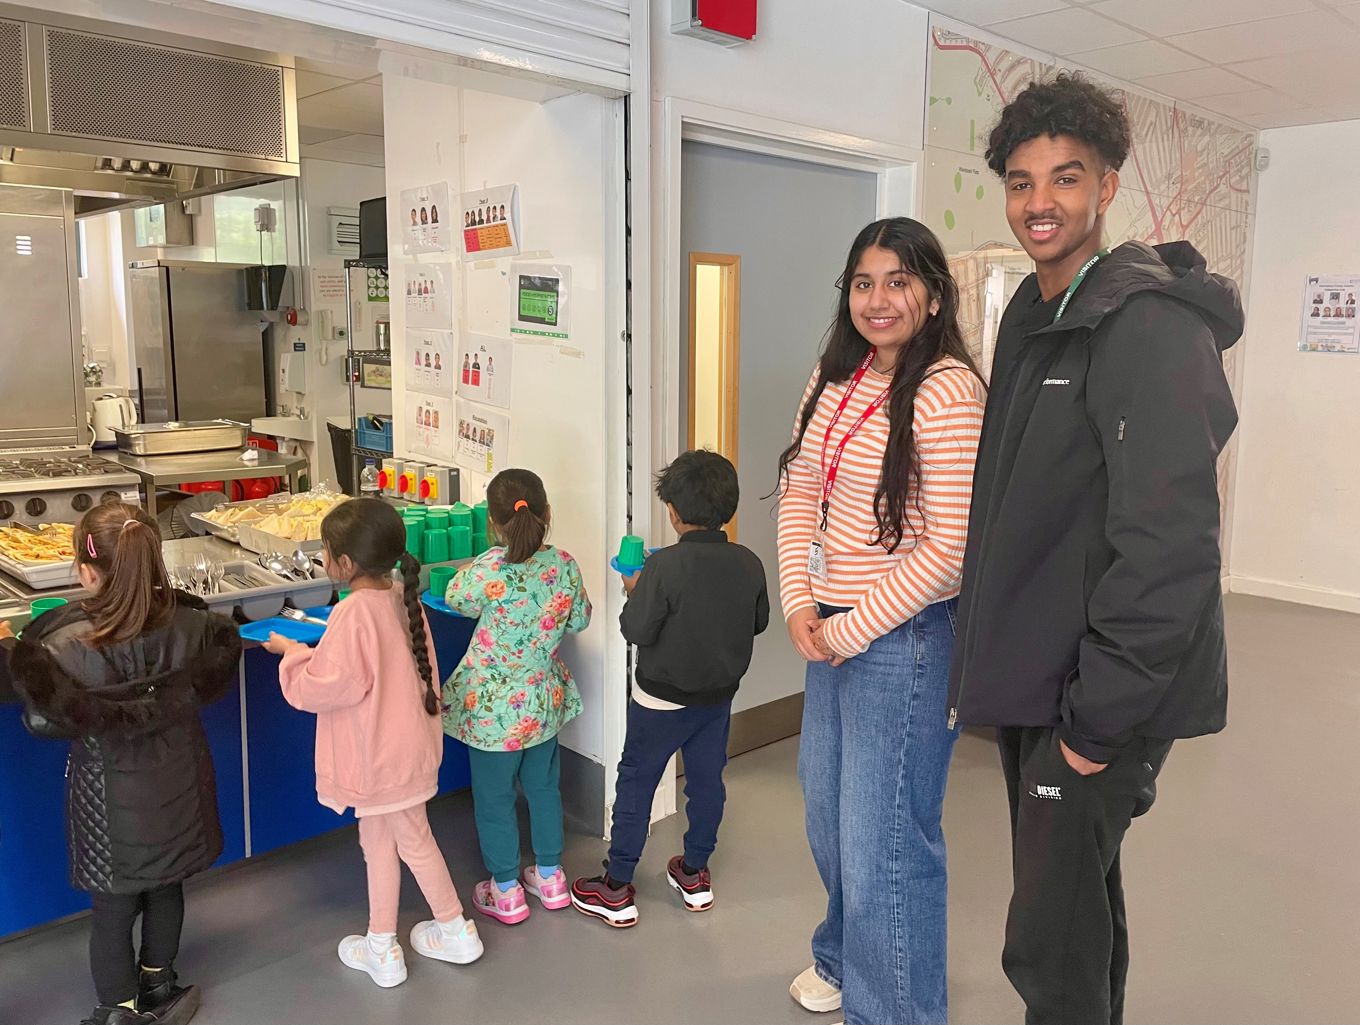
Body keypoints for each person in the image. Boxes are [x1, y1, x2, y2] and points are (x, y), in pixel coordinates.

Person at [950, 73, 1242, 1025]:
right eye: (1022, 181)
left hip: (1092, 691)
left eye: (1066, 178)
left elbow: (1171, 549)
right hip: (1041, 677)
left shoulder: (1146, 324)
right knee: (1077, 908)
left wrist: (1094, 722)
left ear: (1107, 187)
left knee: (1048, 939)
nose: (1041, 202)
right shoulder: (1035, 317)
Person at [776, 217, 984, 1025]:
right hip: (831, 629)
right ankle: (843, 955)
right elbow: (801, 488)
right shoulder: (837, 374)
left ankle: (895, 1011)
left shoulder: (948, 390)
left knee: (887, 840)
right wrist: (801, 599)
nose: (879, 299)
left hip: (906, 641)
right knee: (829, 817)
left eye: (899, 281)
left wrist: (848, 627)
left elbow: (951, 550)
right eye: (864, 282)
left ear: (932, 293)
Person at [10, 502, 242, 1025]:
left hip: (109, 800)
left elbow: (42, 721)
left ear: (87, 573)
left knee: (113, 907)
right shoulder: (193, 624)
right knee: (167, 884)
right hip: (179, 783)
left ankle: (118, 1008)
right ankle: (159, 983)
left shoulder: (61, 643)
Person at [265, 499, 482, 989]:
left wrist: (292, 654)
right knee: (380, 839)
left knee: (412, 839)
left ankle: (454, 929)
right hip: (406, 750)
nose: (323, 558)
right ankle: (381, 943)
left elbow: (326, 687)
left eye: (325, 551)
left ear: (344, 562)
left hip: (379, 757)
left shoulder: (352, 612)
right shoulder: (402, 597)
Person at [570, 451, 769, 928]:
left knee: (637, 783)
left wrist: (634, 588)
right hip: (717, 699)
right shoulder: (749, 562)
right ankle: (695, 873)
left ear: (674, 513)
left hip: (659, 701)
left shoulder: (664, 567)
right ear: (730, 508)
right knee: (706, 782)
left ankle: (616, 886)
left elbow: (636, 629)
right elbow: (758, 622)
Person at [441, 469, 592, 925]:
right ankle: (550, 877)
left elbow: (455, 598)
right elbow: (580, 619)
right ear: (548, 513)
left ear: (492, 522)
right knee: (544, 789)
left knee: (494, 798)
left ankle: (506, 890)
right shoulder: (563, 564)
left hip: (491, 713)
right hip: (541, 702)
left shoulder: (488, 569)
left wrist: (477, 566)